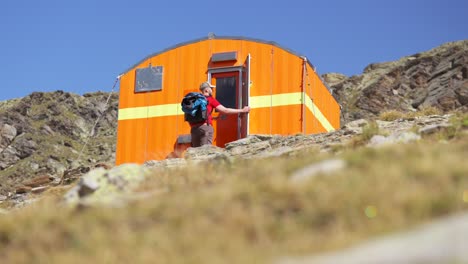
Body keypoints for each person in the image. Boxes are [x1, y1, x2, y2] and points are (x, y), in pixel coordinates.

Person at [190, 81, 250, 147]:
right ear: (206, 90)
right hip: (205, 128)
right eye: (211, 88)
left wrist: (212, 118)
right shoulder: (210, 99)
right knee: (205, 151)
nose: (212, 90)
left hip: (194, 129)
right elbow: (225, 110)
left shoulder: (195, 100)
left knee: (196, 153)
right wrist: (242, 110)